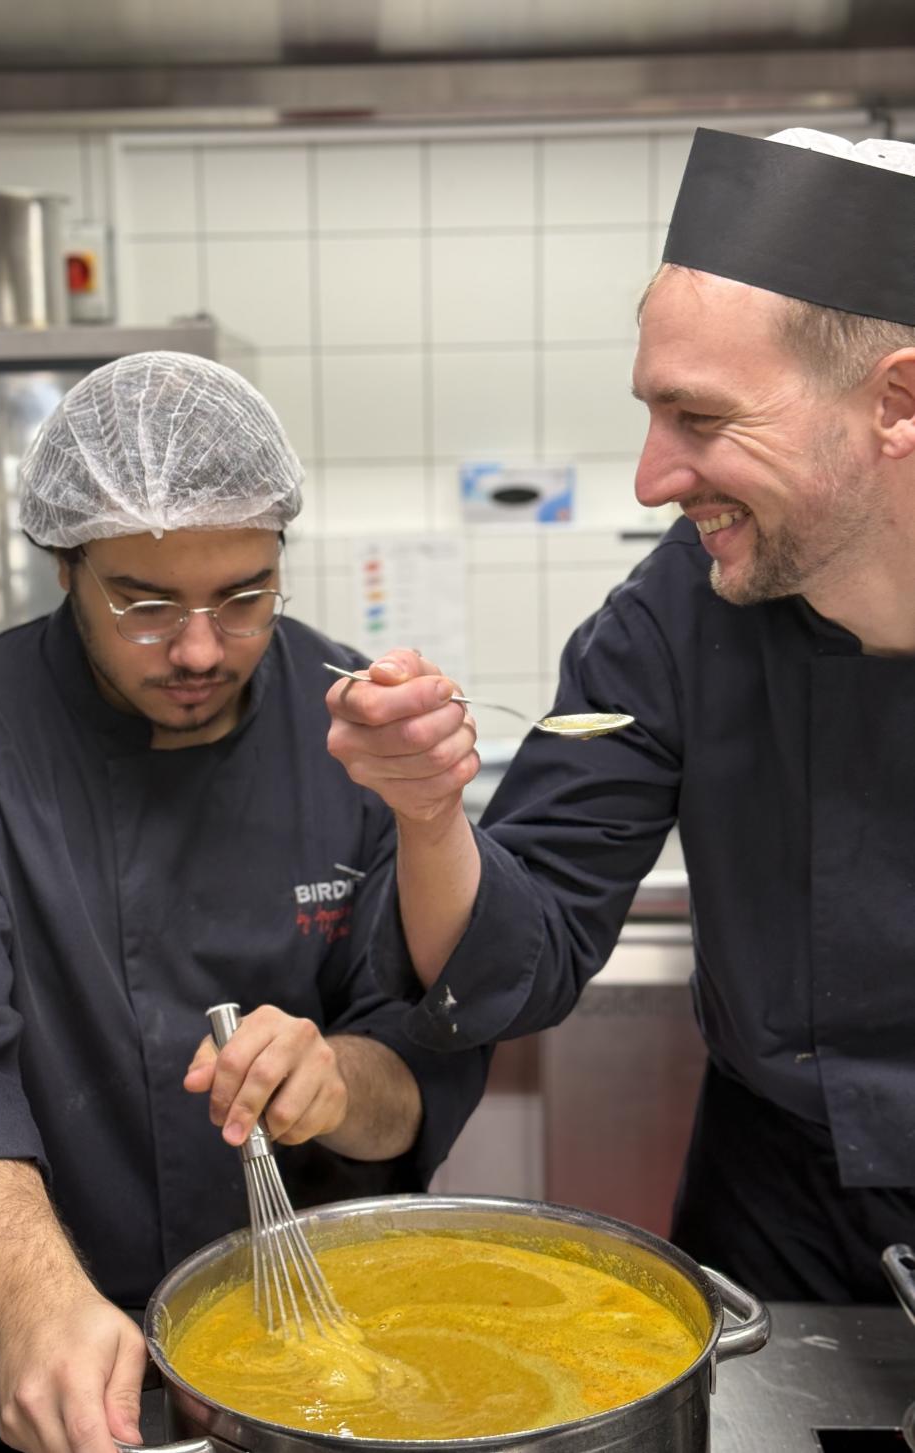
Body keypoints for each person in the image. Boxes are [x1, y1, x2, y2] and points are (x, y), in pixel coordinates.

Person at [0, 352, 489, 1453]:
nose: (196, 649)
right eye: (142, 604)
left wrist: (336, 1080)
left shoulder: (357, 739)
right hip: (30, 1330)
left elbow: (418, 1061)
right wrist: (38, 1300)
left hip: (315, 1341)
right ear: (64, 569)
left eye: (243, 599)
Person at [326, 126, 915, 1305]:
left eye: (700, 420)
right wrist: (429, 812)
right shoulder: (675, 613)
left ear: (893, 401)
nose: (650, 478)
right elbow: (520, 956)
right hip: (778, 1216)